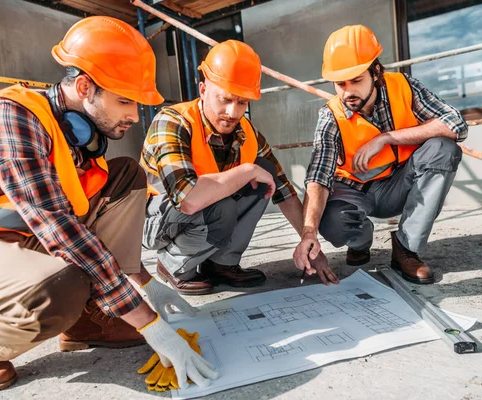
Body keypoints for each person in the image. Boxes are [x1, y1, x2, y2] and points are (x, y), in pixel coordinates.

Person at [0, 16, 217, 394]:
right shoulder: (9, 121)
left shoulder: (74, 134)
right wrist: (147, 321)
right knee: (60, 287)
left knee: (124, 176)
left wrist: (145, 282)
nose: (132, 116)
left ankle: (87, 319)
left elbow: (79, 212)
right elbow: (59, 227)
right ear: (84, 86)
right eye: (125, 101)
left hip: (18, 233)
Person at [141, 40, 338, 295]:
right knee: (225, 202)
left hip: (200, 210)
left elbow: (284, 191)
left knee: (264, 174)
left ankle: (221, 265)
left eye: (242, 103)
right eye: (224, 99)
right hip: (155, 219)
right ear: (202, 89)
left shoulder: (247, 132)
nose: (232, 113)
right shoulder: (172, 122)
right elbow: (187, 200)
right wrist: (247, 171)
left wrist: (310, 243)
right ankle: (172, 264)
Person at [294, 25, 468, 284]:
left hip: (398, 186)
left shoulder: (403, 87)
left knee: (444, 149)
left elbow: (455, 124)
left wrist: (386, 138)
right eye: (340, 83)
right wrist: (308, 232)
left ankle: (406, 249)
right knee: (333, 224)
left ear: (375, 72)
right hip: (354, 193)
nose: (347, 92)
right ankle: (360, 241)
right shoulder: (330, 116)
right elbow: (318, 176)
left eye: (356, 80)